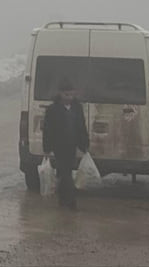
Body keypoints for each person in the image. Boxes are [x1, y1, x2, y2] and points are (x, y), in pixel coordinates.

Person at [42, 78, 90, 209]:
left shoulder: (77, 108)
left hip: (72, 145)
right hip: (59, 146)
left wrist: (84, 144)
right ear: (60, 94)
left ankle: (63, 199)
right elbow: (47, 129)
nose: (69, 97)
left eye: (71, 94)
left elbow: (81, 127)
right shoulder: (52, 109)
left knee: (65, 172)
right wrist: (46, 148)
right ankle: (71, 201)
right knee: (66, 173)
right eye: (66, 94)